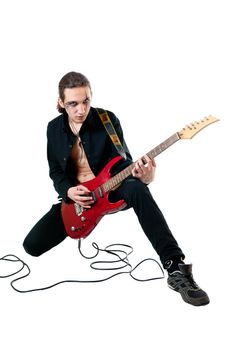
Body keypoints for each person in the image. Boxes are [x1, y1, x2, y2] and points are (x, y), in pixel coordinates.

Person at [23, 71, 209, 306]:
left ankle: (175, 267)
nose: (81, 110)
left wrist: (145, 177)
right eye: (73, 104)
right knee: (31, 246)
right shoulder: (52, 128)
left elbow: (123, 162)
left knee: (137, 189)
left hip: (112, 188)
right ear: (60, 103)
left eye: (85, 101)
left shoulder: (107, 120)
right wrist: (68, 191)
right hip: (77, 201)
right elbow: (56, 172)